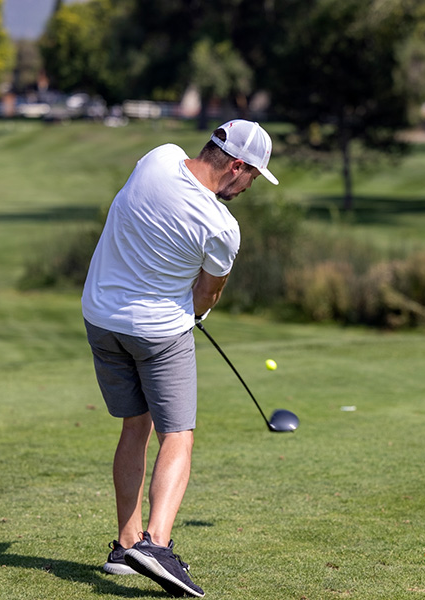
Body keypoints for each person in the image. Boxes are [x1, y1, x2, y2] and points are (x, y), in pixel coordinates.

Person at [81, 119, 279, 598]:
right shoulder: (221, 227)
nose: (250, 185)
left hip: (101, 318)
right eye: (253, 176)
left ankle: (126, 546)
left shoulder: (158, 156)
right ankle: (157, 544)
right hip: (158, 333)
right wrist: (195, 309)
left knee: (135, 425)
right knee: (178, 435)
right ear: (236, 166)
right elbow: (205, 296)